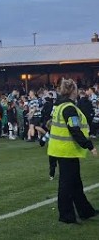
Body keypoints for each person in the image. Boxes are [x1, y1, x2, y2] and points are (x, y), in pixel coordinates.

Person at [47, 78, 98, 224]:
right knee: (67, 184)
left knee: (75, 183)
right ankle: (66, 215)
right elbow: (74, 130)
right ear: (73, 91)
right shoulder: (69, 108)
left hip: (60, 149)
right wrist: (89, 145)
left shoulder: (59, 106)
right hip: (66, 151)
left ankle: (85, 211)